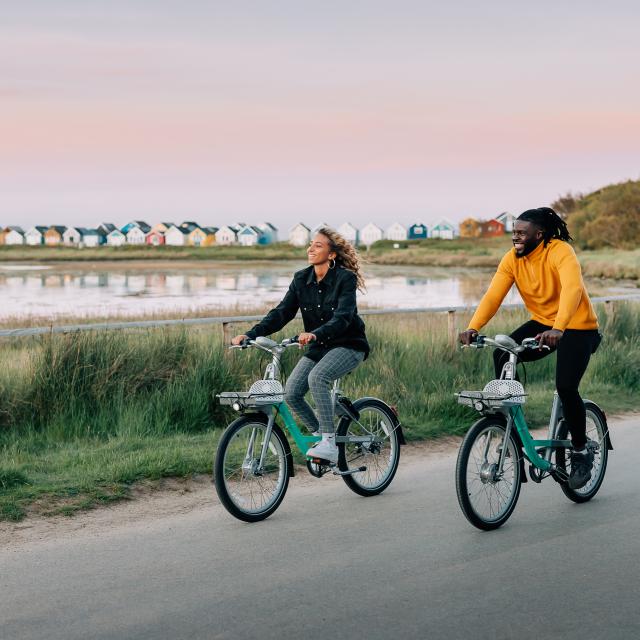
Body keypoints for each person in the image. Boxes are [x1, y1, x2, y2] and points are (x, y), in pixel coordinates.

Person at [459, 207, 601, 490]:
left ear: (540, 234)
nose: (516, 238)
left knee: (565, 386)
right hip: (543, 324)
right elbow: (493, 296)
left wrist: (559, 328)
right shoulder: (512, 260)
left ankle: (582, 450)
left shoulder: (560, 251)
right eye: (514, 232)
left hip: (577, 326)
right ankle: (512, 430)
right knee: (501, 352)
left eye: (522, 233)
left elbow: (572, 290)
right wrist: (473, 326)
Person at [232, 227, 369, 464]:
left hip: (348, 344)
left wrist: (314, 334)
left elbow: (344, 317)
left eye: (318, 245)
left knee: (317, 378)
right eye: (310, 244)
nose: (310, 248)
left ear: (332, 254)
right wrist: (250, 334)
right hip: (319, 347)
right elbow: (282, 313)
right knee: (292, 394)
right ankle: (324, 435)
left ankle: (329, 443)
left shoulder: (344, 278)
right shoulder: (300, 279)